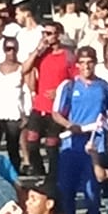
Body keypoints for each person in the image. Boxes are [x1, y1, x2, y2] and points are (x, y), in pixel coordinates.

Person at [53, 44, 108, 214]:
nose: (87, 66)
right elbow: (56, 114)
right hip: (71, 145)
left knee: (92, 188)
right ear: (77, 64)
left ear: (96, 63)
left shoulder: (104, 87)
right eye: (83, 63)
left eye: (90, 62)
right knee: (67, 187)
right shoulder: (69, 87)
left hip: (94, 146)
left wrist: (105, 124)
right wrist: (70, 125)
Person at [23, 16, 77, 176]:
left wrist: (60, 92)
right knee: (31, 139)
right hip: (40, 105)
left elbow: (75, 80)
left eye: (49, 33)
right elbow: (24, 68)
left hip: (56, 108)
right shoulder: (41, 55)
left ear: (58, 35)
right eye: (44, 33)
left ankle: (53, 175)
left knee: (51, 144)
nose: (46, 36)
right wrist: (37, 50)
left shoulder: (68, 56)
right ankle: (38, 170)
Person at [0, 34, 31, 168]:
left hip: (14, 113)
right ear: (4, 50)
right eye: (8, 49)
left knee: (12, 147)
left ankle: (15, 174)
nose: (11, 52)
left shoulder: (21, 69)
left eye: (14, 49)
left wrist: (26, 115)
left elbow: (26, 93)